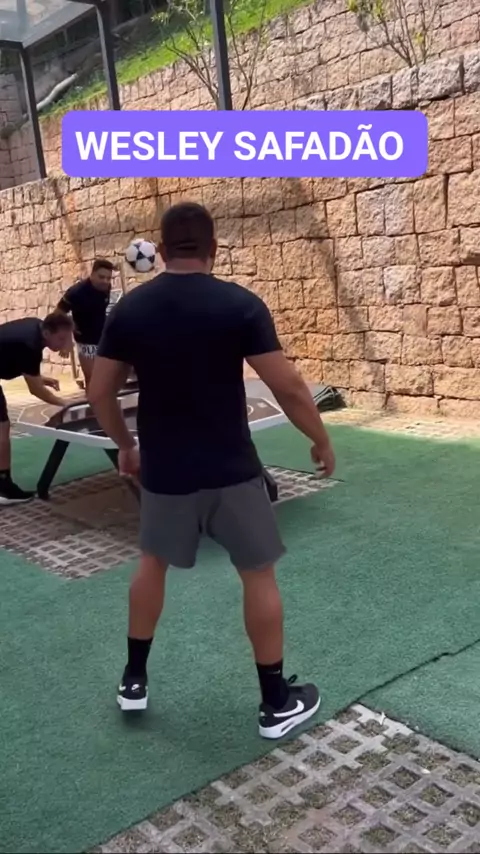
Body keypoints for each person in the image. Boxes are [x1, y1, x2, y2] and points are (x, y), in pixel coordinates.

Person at [88, 202, 336, 740]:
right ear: (213, 249)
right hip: (232, 469)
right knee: (258, 574)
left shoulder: (130, 310)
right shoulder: (240, 305)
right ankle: (275, 703)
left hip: (165, 472)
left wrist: (125, 444)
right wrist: (319, 438)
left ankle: (134, 680)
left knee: (151, 565)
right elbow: (289, 386)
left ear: (160, 248)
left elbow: (99, 390)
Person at [0, 313, 74, 504]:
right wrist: (66, 404)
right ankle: (4, 488)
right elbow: (35, 390)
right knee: (2, 428)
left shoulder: (36, 327)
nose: (65, 344)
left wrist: (40, 379)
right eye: (61, 339)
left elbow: (16, 359)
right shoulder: (30, 344)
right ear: (48, 333)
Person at [56, 259, 115, 390]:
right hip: (86, 341)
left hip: (103, 337)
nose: (105, 281)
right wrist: (66, 340)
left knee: (107, 378)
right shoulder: (76, 292)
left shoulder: (106, 288)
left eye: (108, 278)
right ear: (92, 274)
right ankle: (93, 402)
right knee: (92, 379)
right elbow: (58, 314)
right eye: (101, 277)